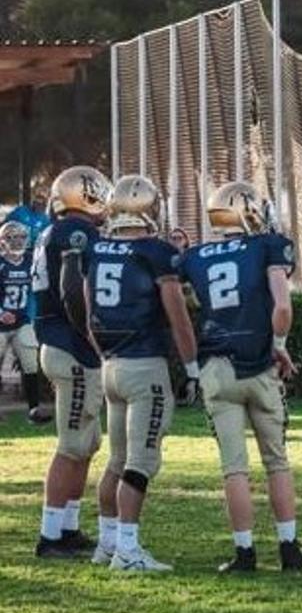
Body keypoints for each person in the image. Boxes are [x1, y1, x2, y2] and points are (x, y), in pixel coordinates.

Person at [179, 181, 302, 572]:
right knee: (277, 462)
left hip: (217, 369)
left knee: (233, 466)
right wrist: (280, 343)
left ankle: (245, 552)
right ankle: (289, 548)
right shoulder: (267, 246)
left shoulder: (194, 256)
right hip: (261, 365)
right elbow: (282, 306)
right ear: (249, 211)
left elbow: (185, 302)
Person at [87, 175, 200, 572]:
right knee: (140, 460)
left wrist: (104, 354)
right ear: (152, 210)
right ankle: (128, 551)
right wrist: (192, 369)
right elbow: (178, 317)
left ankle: (107, 543)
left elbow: (89, 313)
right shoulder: (155, 252)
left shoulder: (97, 249)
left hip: (111, 366)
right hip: (144, 367)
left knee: (117, 460)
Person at [30, 166, 110, 559]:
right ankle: (50, 536)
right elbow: (72, 290)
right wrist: (91, 334)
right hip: (72, 348)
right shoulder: (76, 233)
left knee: (87, 442)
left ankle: (69, 526)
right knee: (71, 445)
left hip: (60, 345)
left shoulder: (52, 231)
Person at [0, 220, 49, 423]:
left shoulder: (30, 261)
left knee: (30, 365)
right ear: (3, 241)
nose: (17, 241)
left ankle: (34, 410)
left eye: (20, 237)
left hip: (21, 321)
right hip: (0, 322)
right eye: (12, 237)